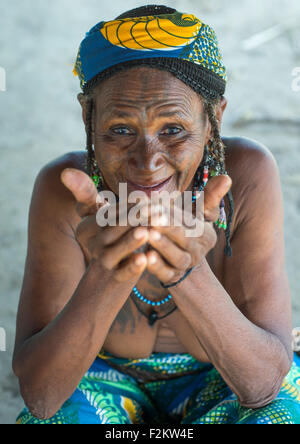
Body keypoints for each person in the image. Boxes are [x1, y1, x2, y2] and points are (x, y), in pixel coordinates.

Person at [14, 5, 300, 424]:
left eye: (173, 130)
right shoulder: (66, 192)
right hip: (103, 377)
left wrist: (186, 270)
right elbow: (42, 398)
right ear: (87, 118)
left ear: (213, 118)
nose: (148, 161)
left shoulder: (246, 176)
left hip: (220, 377)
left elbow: (261, 385)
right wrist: (111, 271)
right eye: (122, 130)